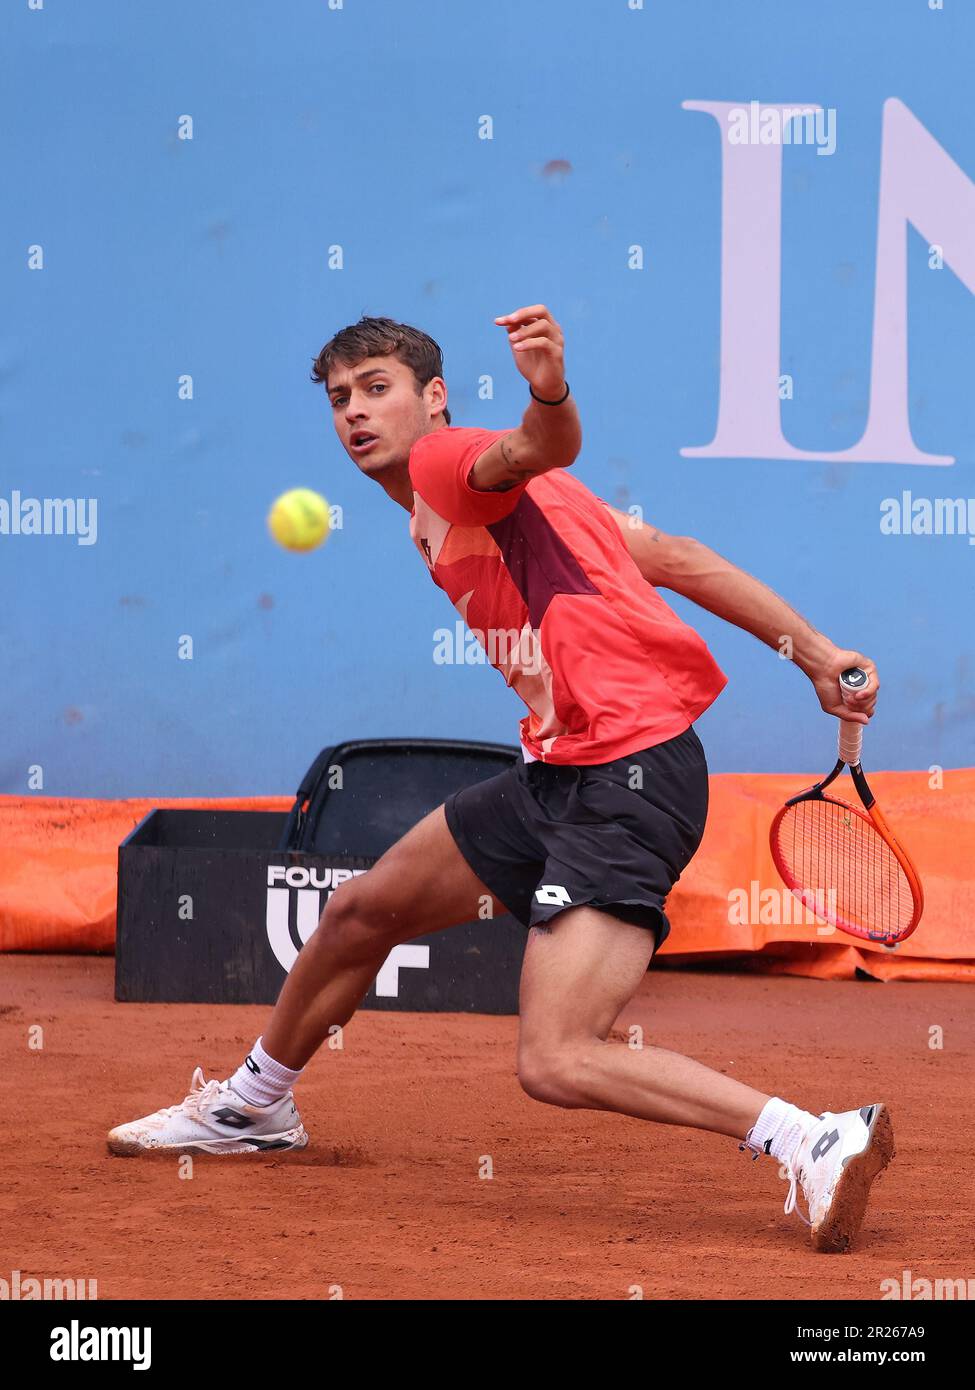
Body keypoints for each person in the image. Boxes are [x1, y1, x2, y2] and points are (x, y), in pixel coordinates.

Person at [108, 306, 893, 1253]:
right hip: (564, 770)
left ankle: (810, 1137)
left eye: (377, 389)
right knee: (362, 911)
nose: (355, 412)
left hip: (627, 774)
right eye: (338, 398)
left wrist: (549, 391)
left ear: (433, 399)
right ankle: (252, 1107)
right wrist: (811, 651)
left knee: (556, 1057)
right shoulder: (472, 511)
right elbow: (674, 558)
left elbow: (535, 443)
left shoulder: (452, 464)